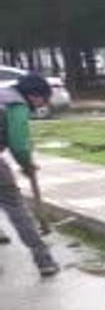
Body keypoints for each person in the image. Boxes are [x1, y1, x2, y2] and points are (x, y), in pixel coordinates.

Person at [0, 73, 59, 277]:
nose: (43, 104)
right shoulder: (16, 104)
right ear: (34, 96)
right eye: (44, 98)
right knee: (16, 207)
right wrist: (27, 165)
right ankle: (44, 260)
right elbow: (19, 145)